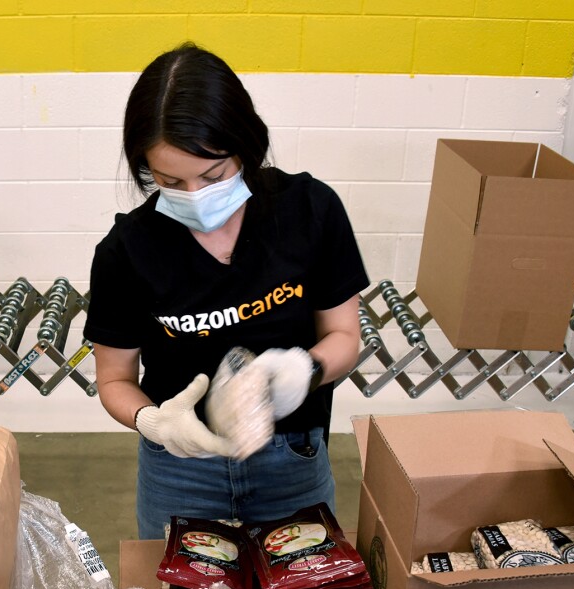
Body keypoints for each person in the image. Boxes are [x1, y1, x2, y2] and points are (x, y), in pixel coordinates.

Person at [83, 43, 369, 540]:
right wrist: (155, 422)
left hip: (292, 457)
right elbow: (114, 380)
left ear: (245, 145)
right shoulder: (127, 250)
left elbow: (345, 333)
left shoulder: (309, 211)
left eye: (213, 175)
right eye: (170, 181)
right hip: (179, 466)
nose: (196, 196)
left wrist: (305, 369)